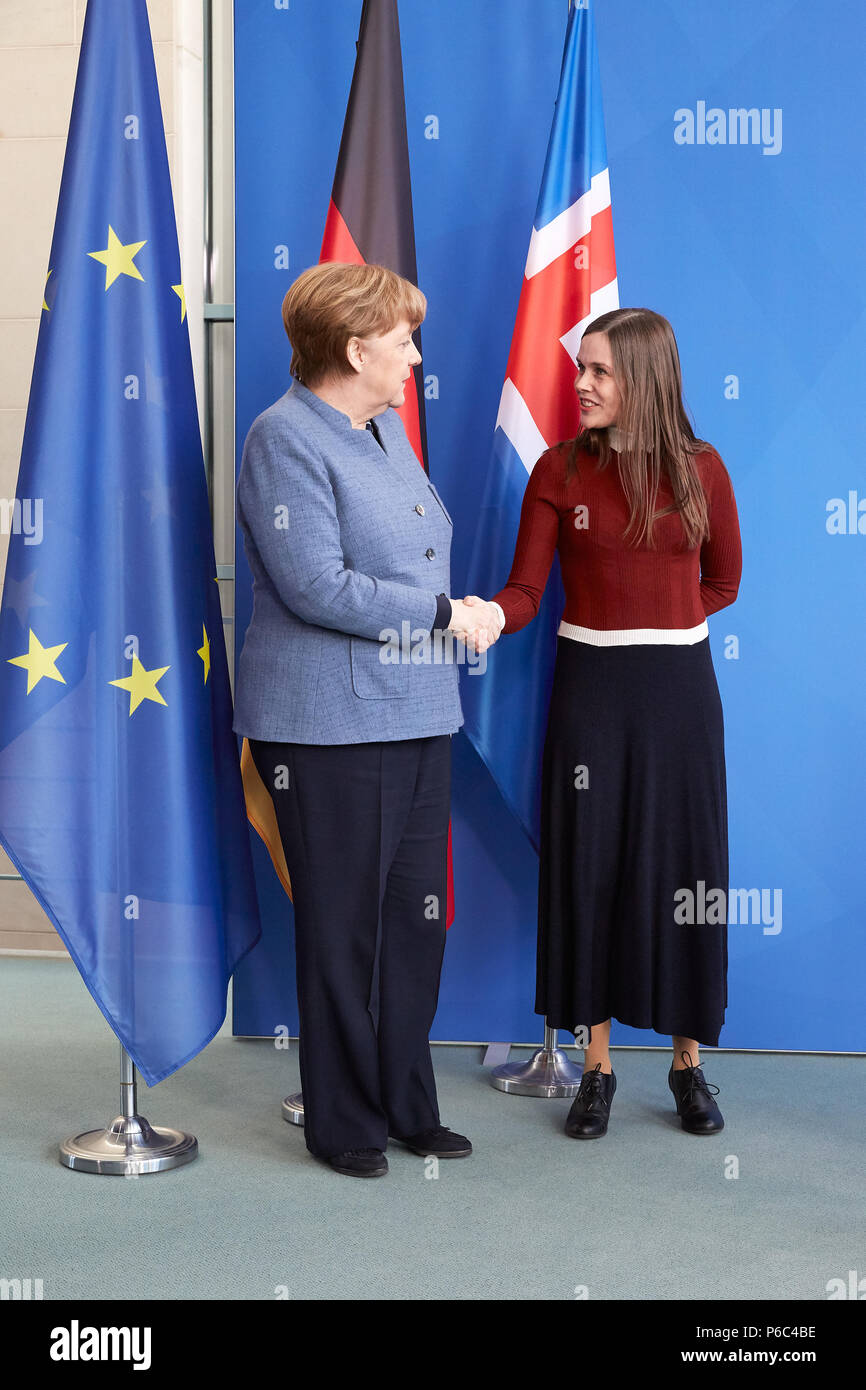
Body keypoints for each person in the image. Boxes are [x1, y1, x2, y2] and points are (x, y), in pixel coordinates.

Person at [233, 261, 502, 1177]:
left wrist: (454, 613)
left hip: (418, 708)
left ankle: (405, 1101)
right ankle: (342, 1119)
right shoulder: (284, 436)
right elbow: (317, 586)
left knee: (414, 923)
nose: (416, 358)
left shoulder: (384, 429)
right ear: (354, 349)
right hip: (326, 727)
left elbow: (410, 556)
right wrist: (442, 617)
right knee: (343, 926)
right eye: (402, 343)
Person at [468, 307, 742, 1140]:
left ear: (645, 380)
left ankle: (689, 1065)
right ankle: (596, 1068)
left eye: (599, 372)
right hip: (589, 691)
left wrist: (656, 625)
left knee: (682, 872)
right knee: (590, 867)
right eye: (580, 368)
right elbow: (524, 594)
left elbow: (724, 581)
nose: (580, 385)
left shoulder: (703, 469)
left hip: (679, 695)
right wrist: (478, 617)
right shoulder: (557, 470)